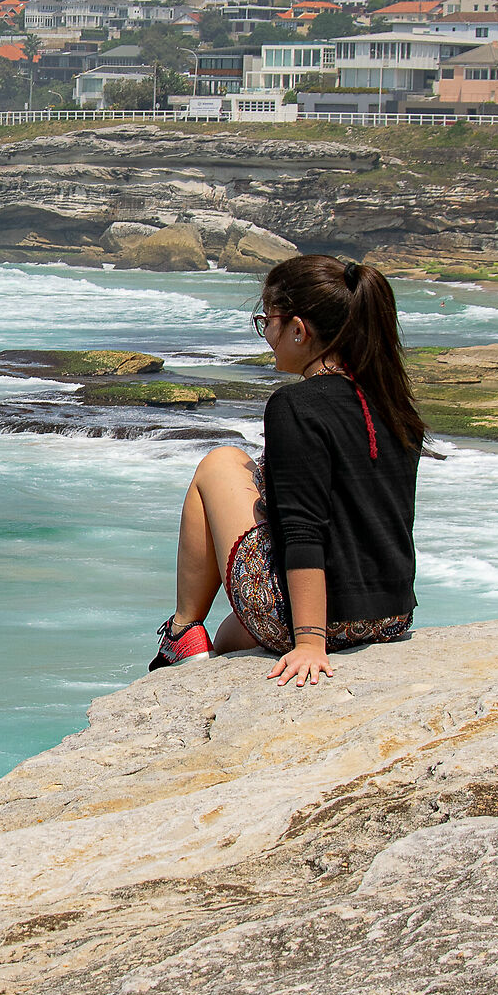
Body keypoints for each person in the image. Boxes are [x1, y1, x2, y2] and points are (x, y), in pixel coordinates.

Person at [153, 256, 424, 689]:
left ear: (299, 329)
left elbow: (304, 532)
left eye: (268, 322)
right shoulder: (393, 403)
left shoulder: (295, 405)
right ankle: (201, 640)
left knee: (220, 461)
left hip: (321, 625)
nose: (268, 337)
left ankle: (183, 629)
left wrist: (310, 642)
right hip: (389, 616)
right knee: (228, 638)